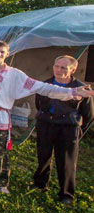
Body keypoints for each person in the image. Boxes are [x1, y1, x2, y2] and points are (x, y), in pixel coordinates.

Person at [0, 41, 94, 194]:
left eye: (2, 52)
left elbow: (42, 87)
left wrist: (72, 92)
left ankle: (1, 181)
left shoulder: (14, 74)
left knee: (1, 153)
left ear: (7, 53)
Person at [32, 55, 94, 203]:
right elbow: (39, 104)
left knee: (66, 161)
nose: (58, 70)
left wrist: (77, 127)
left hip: (68, 127)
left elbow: (89, 113)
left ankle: (66, 194)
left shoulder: (81, 88)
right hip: (46, 123)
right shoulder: (45, 84)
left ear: (73, 69)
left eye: (63, 68)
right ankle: (40, 184)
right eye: (56, 66)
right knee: (43, 155)